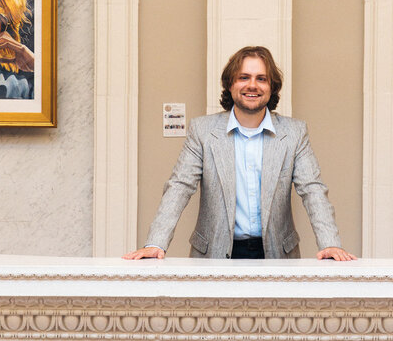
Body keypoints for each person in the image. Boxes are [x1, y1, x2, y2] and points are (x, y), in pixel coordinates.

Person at [124, 46, 356, 261]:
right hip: (213, 254)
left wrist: (331, 244)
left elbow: (313, 189)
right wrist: (156, 243)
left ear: (272, 87)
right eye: (244, 77)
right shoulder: (203, 131)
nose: (252, 85)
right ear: (230, 84)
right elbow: (179, 186)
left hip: (277, 255)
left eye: (261, 79)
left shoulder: (294, 133)